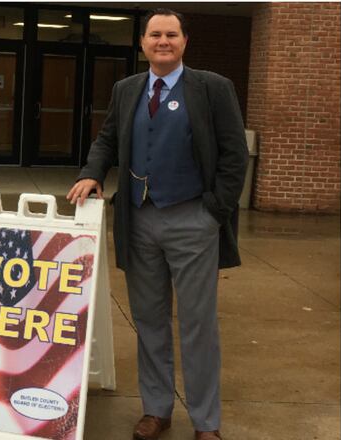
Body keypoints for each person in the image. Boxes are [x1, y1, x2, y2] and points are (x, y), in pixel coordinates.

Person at [66, 9, 248, 440]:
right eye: (154, 34)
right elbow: (108, 138)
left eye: (171, 34)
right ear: (143, 42)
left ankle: (206, 423)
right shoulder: (126, 89)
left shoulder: (212, 88)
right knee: (148, 321)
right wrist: (91, 172)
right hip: (139, 219)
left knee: (198, 324)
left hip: (193, 220)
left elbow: (233, 155)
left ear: (185, 41)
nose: (162, 41)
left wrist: (213, 212)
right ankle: (157, 410)